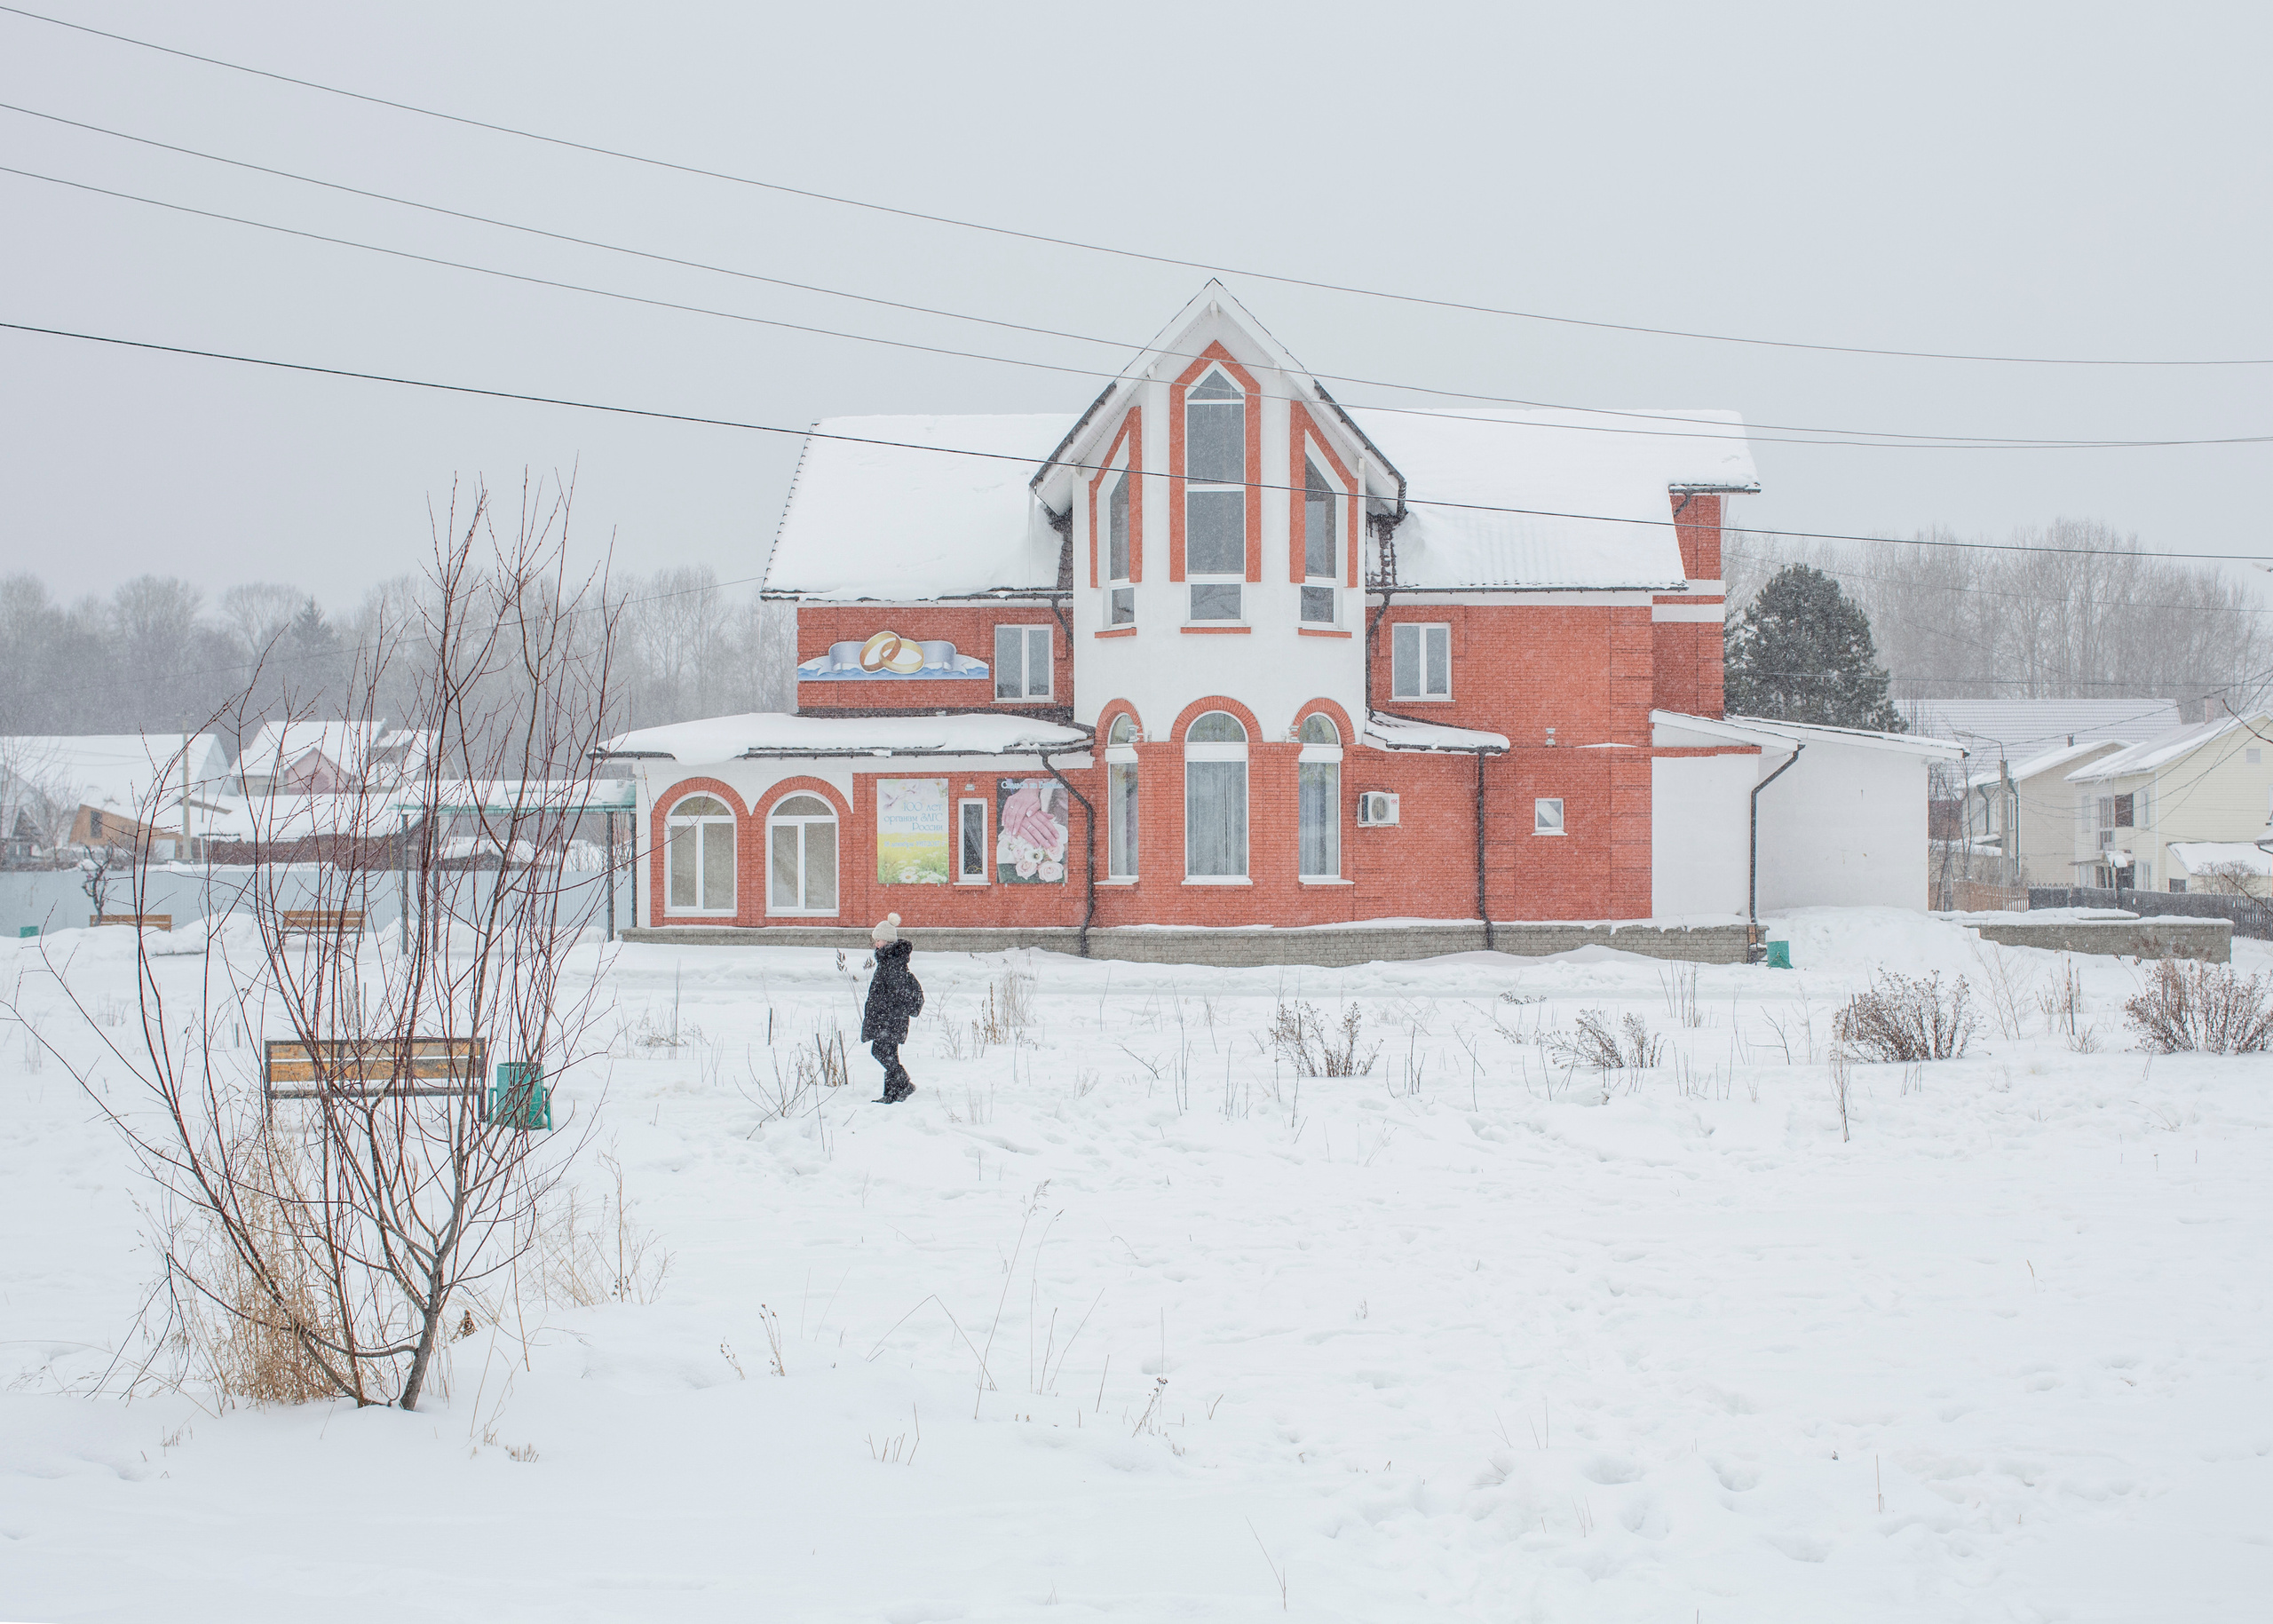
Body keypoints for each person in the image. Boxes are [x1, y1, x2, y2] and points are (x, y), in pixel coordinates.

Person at [861, 913, 923, 1104]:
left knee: (881, 1052)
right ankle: (894, 1092)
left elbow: (897, 993)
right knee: (887, 1053)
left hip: (889, 1019)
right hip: (887, 1018)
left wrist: (886, 1011)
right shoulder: (889, 961)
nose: (876, 945)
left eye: (878, 940)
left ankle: (902, 1085)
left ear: (887, 941)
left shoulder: (892, 963)